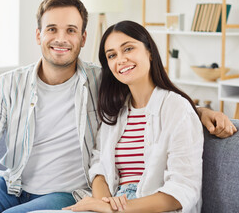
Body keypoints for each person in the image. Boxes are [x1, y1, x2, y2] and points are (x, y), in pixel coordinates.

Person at [0, 0, 236, 213]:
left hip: (66, 192)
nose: (61, 38)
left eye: (71, 30)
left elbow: (151, 99)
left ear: (83, 38)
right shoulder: (9, 84)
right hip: (11, 185)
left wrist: (199, 111)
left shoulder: (102, 81)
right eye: (52, 29)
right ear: (38, 34)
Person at [63, 20, 206, 213]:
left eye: (128, 49)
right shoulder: (116, 110)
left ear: (150, 52)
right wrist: (103, 204)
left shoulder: (177, 108)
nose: (120, 60)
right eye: (112, 55)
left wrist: (116, 209)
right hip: (112, 202)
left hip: (147, 207)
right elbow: (99, 167)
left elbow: (183, 190)